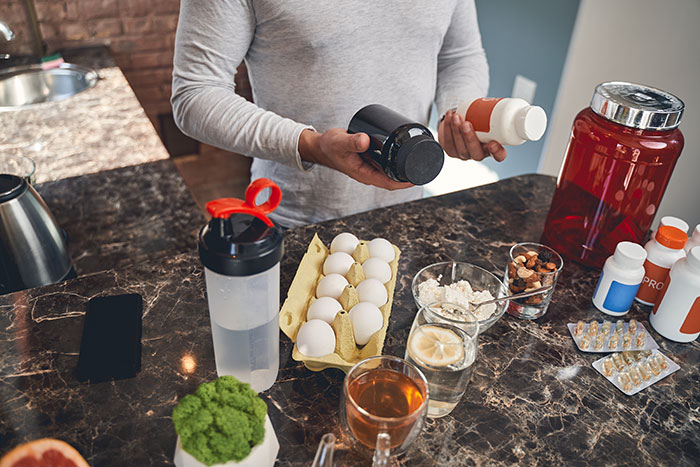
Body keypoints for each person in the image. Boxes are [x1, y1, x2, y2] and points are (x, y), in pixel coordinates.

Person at [172, 0, 507, 227]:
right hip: (293, 217)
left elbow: (459, 54)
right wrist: (311, 146)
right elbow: (196, 93)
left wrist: (458, 113)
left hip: (408, 207)